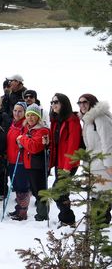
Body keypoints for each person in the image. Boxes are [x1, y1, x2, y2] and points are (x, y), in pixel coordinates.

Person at [78, 93, 112, 224]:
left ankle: (101, 229)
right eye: (79, 103)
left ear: (92, 102)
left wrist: (109, 165)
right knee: (96, 197)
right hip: (94, 165)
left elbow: (108, 142)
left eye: (85, 102)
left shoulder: (100, 118)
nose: (82, 105)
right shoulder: (89, 120)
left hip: (103, 166)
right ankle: (96, 226)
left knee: (102, 198)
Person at [49, 93, 82, 227]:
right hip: (59, 162)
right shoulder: (56, 120)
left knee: (57, 192)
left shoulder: (72, 120)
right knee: (63, 192)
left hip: (68, 163)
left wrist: (67, 167)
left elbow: (73, 144)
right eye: (51, 102)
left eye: (56, 102)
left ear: (64, 103)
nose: (53, 104)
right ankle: (66, 220)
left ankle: (68, 219)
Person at [17, 103, 51, 222]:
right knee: (35, 189)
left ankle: (42, 214)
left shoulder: (42, 130)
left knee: (39, 190)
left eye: (33, 115)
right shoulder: (28, 129)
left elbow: (34, 147)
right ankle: (41, 213)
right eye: (28, 115)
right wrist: (21, 143)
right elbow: (26, 146)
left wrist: (22, 139)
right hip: (29, 164)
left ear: (38, 117)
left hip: (38, 165)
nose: (30, 118)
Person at [7, 102, 31, 221]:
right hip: (11, 159)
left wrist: (22, 143)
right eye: (15, 110)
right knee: (16, 186)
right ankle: (19, 208)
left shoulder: (25, 126)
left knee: (22, 187)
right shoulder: (13, 124)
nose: (17, 113)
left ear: (25, 112)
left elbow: (27, 142)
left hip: (21, 160)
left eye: (20, 111)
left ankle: (22, 212)